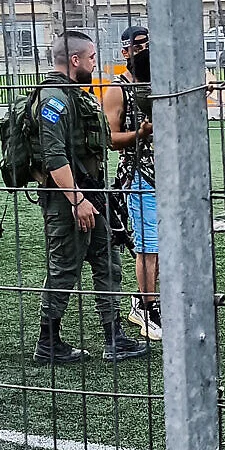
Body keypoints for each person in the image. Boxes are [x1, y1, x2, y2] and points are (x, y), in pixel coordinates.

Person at [32, 30, 149, 364]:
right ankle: (48, 342)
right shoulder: (54, 98)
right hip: (68, 198)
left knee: (107, 262)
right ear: (75, 60)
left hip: (92, 195)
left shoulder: (73, 93)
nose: (95, 63)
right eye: (92, 58)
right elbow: (54, 156)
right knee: (64, 268)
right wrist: (77, 200)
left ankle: (115, 338)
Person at [103, 26, 160, 341]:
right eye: (137, 45)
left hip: (167, 175)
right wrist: (141, 133)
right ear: (125, 52)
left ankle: (147, 298)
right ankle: (146, 306)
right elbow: (110, 139)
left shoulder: (159, 82)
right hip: (139, 173)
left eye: (147, 44)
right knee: (148, 245)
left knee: (162, 244)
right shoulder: (118, 89)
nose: (143, 49)